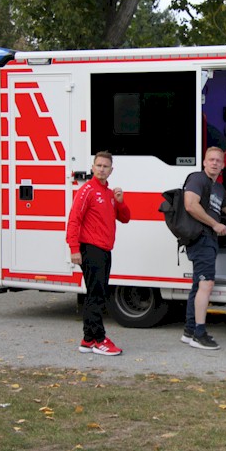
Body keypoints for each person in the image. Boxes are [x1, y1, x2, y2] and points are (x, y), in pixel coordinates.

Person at [66, 151, 131, 356]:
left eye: (106, 166)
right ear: (93, 167)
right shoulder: (87, 190)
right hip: (91, 248)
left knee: (96, 294)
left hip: (104, 249)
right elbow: (74, 219)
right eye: (99, 165)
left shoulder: (109, 193)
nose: (102, 169)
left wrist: (120, 201)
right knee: (96, 295)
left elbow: (125, 218)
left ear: (111, 170)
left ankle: (88, 340)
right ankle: (100, 340)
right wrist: (74, 249)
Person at [182, 146, 226, 350]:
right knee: (206, 284)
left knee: (198, 286)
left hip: (209, 240)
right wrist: (215, 224)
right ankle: (199, 334)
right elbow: (190, 204)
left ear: (223, 165)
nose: (214, 163)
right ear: (204, 162)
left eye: (218, 161)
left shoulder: (219, 188)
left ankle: (189, 331)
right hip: (200, 238)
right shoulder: (197, 179)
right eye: (211, 159)